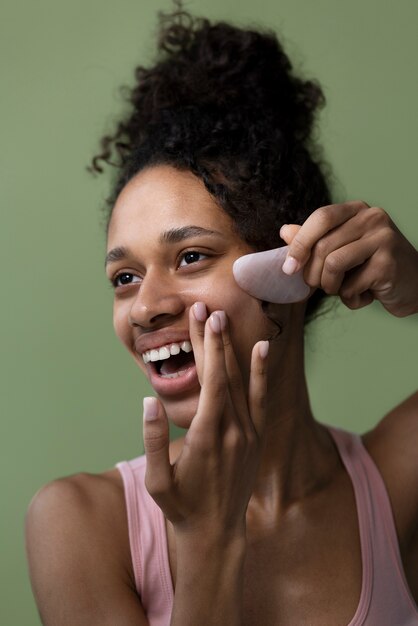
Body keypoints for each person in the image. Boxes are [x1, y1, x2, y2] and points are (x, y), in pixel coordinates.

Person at [25, 6, 418, 626]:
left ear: (293, 270)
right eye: (125, 278)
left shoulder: (398, 482)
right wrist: (209, 537)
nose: (147, 307)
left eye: (189, 257)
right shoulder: (77, 524)